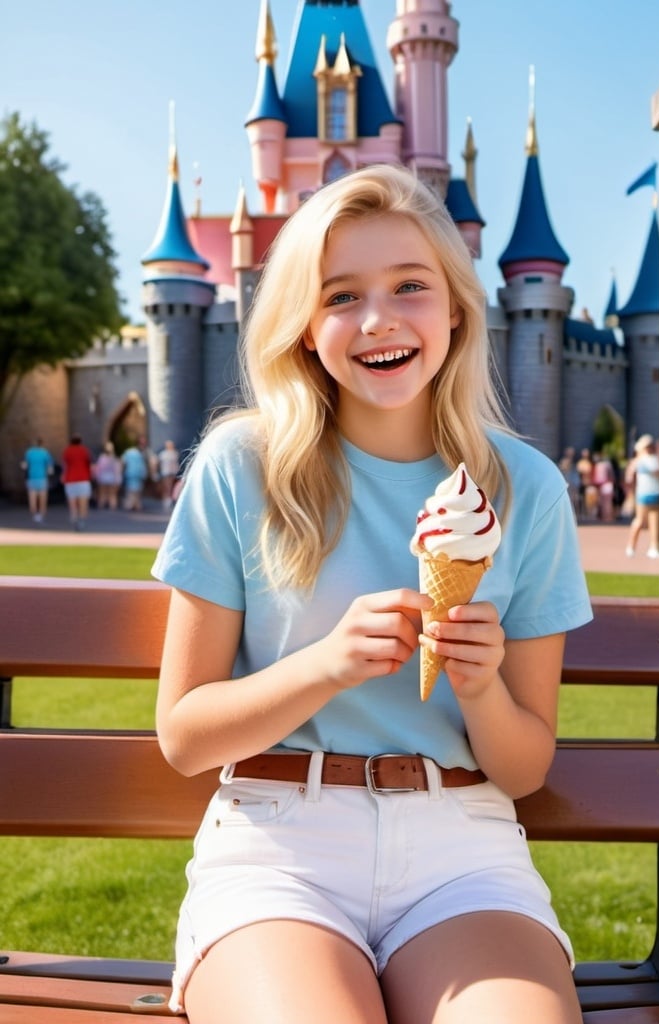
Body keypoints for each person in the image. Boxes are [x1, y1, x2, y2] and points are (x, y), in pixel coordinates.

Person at [152, 165, 592, 1024]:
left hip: (461, 850)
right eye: (340, 295)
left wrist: (479, 684)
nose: (379, 318)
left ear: (458, 308)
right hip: (279, 844)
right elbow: (183, 734)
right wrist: (326, 664)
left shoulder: (526, 489)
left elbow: (524, 766)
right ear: (305, 329)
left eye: (410, 287)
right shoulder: (245, 469)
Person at [625, 434, 659, 559]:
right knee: (641, 520)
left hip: (652, 492)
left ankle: (653, 547)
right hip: (645, 493)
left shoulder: (642, 460)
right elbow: (657, 473)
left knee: (654, 521)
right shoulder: (645, 460)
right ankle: (632, 546)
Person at [61, 434, 92, 530]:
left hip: (70, 479)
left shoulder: (67, 451)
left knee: (72, 502)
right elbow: (89, 463)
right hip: (83, 479)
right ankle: (82, 520)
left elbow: (65, 465)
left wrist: (63, 475)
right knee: (83, 502)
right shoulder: (84, 450)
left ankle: (74, 517)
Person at [21, 438, 54, 523]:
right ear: (41, 444)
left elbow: (24, 466)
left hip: (31, 478)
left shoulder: (29, 453)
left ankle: (35, 515)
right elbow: (50, 468)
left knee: (32, 498)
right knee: (43, 498)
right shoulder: (45, 453)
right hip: (42, 478)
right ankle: (41, 515)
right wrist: (50, 475)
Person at [93, 441, 122, 510]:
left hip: (102, 477)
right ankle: (112, 507)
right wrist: (118, 479)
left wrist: (96, 477)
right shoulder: (114, 458)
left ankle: (101, 506)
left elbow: (99, 469)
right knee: (112, 495)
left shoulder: (101, 458)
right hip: (112, 477)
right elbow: (117, 470)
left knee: (102, 494)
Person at [121, 441, 148, 511]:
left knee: (130, 490)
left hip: (130, 473)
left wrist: (122, 471)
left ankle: (130, 504)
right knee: (137, 491)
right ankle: (136, 504)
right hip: (138, 474)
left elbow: (123, 462)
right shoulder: (140, 454)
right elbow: (142, 466)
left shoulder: (128, 453)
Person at [158, 439, 181, 510]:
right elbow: (159, 463)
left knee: (171, 486)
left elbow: (176, 463)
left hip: (173, 472)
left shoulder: (175, 453)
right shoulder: (163, 454)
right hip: (165, 472)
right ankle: (166, 499)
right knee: (166, 486)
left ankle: (170, 499)